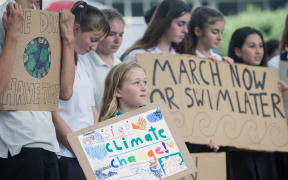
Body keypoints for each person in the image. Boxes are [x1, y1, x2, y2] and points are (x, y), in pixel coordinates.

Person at [0, 0, 75, 179]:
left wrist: (68, 39)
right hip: (16, 143)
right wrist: (13, 35)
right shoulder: (4, 14)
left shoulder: (45, 19)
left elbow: (65, 92)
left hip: (48, 142)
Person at [51, 1, 110, 180]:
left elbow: (91, 109)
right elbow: (53, 116)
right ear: (75, 29)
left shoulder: (84, 62)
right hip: (65, 153)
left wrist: (97, 147)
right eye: (92, 39)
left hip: (87, 153)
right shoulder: (55, 59)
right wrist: (78, 148)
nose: (94, 47)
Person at [227, 26, 280, 180]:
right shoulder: (226, 78)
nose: (258, 51)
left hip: (266, 154)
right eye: (252, 46)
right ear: (237, 51)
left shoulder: (272, 79)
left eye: (261, 46)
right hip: (240, 155)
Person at [82, 8, 124, 114]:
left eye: (121, 35)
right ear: (99, 32)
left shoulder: (121, 65)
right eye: (112, 34)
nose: (117, 40)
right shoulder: (84, 62)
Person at [121, 0, 190, 62]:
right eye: (180, 24)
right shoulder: (137, 56)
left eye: (187, 25)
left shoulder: (183, 59)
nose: (186, 30)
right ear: (164, 22)